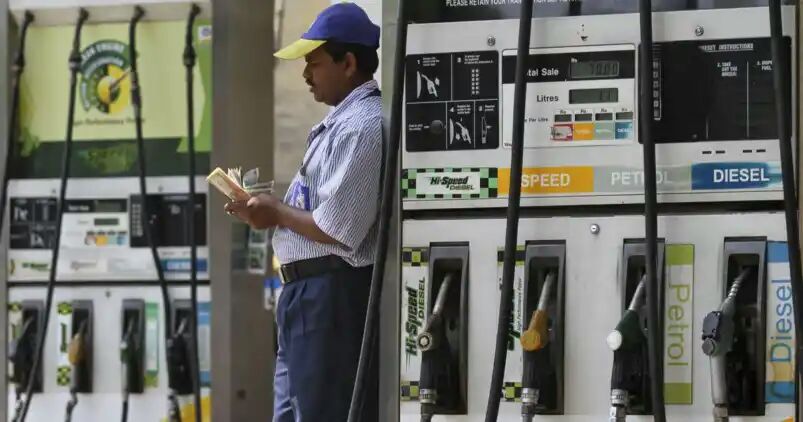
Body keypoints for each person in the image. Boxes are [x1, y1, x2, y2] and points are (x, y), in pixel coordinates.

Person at [224, 3, 381, 421]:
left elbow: (339, 227)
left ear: (348, 63)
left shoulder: (363, 126)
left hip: (331, 295)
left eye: (314, 63)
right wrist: (266, 209)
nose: (306, 74)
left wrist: (276, 212)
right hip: (305, 295)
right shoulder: (337, 126)